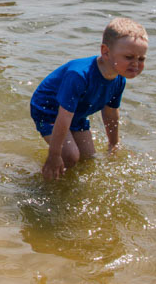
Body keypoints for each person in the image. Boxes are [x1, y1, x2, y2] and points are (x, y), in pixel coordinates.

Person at [30, 17, 149, 181]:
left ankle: (64, 179)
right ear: (106, 52)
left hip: (77, 112)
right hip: (49, 110)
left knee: (88, 159)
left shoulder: (119, 79)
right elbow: (64, 117)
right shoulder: (79, 75)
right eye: (129, 57)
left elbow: (111, 112)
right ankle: (43, 179)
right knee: (70, 156)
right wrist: (54, 155)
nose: (136, 64)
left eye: (141, 59)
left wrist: (113, 144)